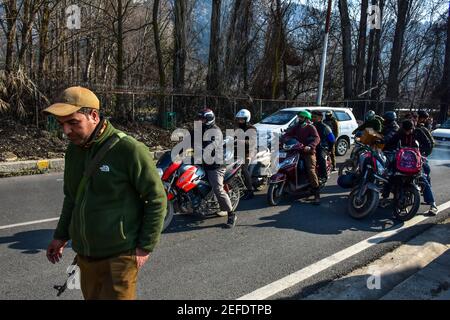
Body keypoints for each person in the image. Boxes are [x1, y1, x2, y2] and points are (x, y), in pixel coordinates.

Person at [45, 86, 167, 300]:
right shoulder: (73, 151)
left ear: (93, 115)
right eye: (61, 124)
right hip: (85, 256)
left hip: (120, 257)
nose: (66, 131)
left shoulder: (129, 150)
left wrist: (144, 247)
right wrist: (60, 235)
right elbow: (72, 198)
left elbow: (156, 199)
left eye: (73, 123)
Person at [192, 108, 238, 227]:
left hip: (215, 165)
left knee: (218, 188)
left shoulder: (216, 131)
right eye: (199, 119)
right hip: (202, 161)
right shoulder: (200, 129)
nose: (200, 121)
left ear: (209, 119)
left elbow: (210, 147)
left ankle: (231, 214)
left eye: (202, 119)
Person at [382, 120, 438, 215]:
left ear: (413, 128)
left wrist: (422, 155)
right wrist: (384, 148)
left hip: (416, 159)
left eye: (409, 130)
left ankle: (433, 204)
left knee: (422, 178)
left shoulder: (419, 132)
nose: (407, 132)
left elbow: (428, 144)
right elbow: (391, 142)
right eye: (405, 130)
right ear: (403, 129)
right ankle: (384, 197)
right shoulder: (400, 133)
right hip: (402, 158)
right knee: (390, 173)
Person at [282, 110, 321, 205]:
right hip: (297, 150)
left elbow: (317, 138)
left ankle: (316, 194)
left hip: (308, 152)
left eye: (301, 117)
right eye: (299, 117)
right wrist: (284, 138)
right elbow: (288, 134)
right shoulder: (297, 126)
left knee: (310, 170)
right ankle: (289, 185)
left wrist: (310, 146)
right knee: (287, 165)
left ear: (306, 119)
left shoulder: (311, 127)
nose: (299, 119)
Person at [234, 108, 257, 200]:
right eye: (239, 119)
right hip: (237, 150)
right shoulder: (237, 128)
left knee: (244, 169)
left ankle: (250, 190)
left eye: (242, 119)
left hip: (249, 151)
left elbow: (251, 142)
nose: (240, 121)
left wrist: (240, 141)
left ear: (247, 119)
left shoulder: (252, 129)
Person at [312, 110, 335, 184]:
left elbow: (332, 140)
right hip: (311, 146)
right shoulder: (310, 126)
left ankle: (323, 176)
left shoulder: (325, 127)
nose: (313, 118)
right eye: (312, 117)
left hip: (322, 147)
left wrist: (329, 150)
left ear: (320, 118)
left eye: (315, 117)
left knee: (321, 158)